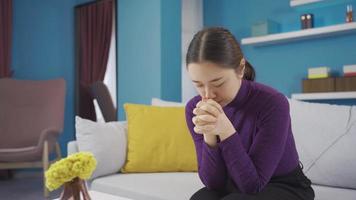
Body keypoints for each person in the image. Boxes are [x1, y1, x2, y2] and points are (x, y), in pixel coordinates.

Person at [185, 27, 315, 200]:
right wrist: (209, 135)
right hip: (234, 182)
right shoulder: (194, 108)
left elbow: (252, 185)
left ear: (240, 69)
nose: (207, 94)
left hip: (284, 185)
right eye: (198, 84)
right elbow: (213, 183)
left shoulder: (273, 103)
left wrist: (225, 131)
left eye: (218, 82)